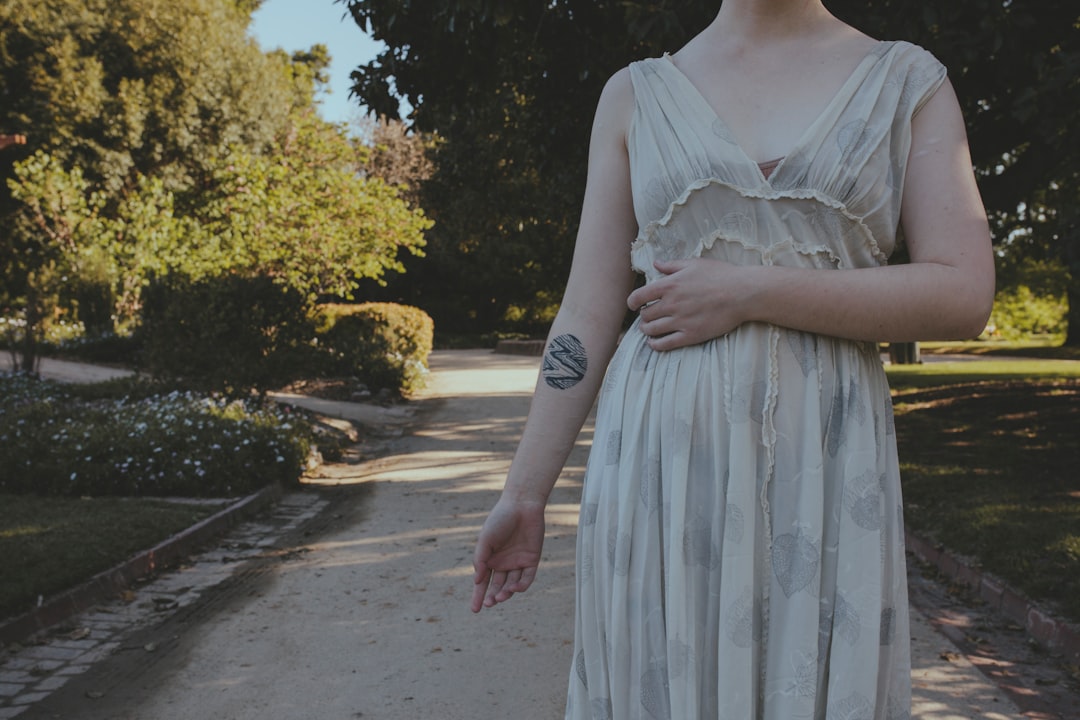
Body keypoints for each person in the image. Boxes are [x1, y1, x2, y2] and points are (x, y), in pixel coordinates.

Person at [471, 1, 994, 717]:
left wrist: (752, 291)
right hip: (661, 463)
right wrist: (524, 493)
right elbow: (587, 311)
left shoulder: (908, 82)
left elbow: (963, 293)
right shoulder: (633, 95)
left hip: (827, 460)